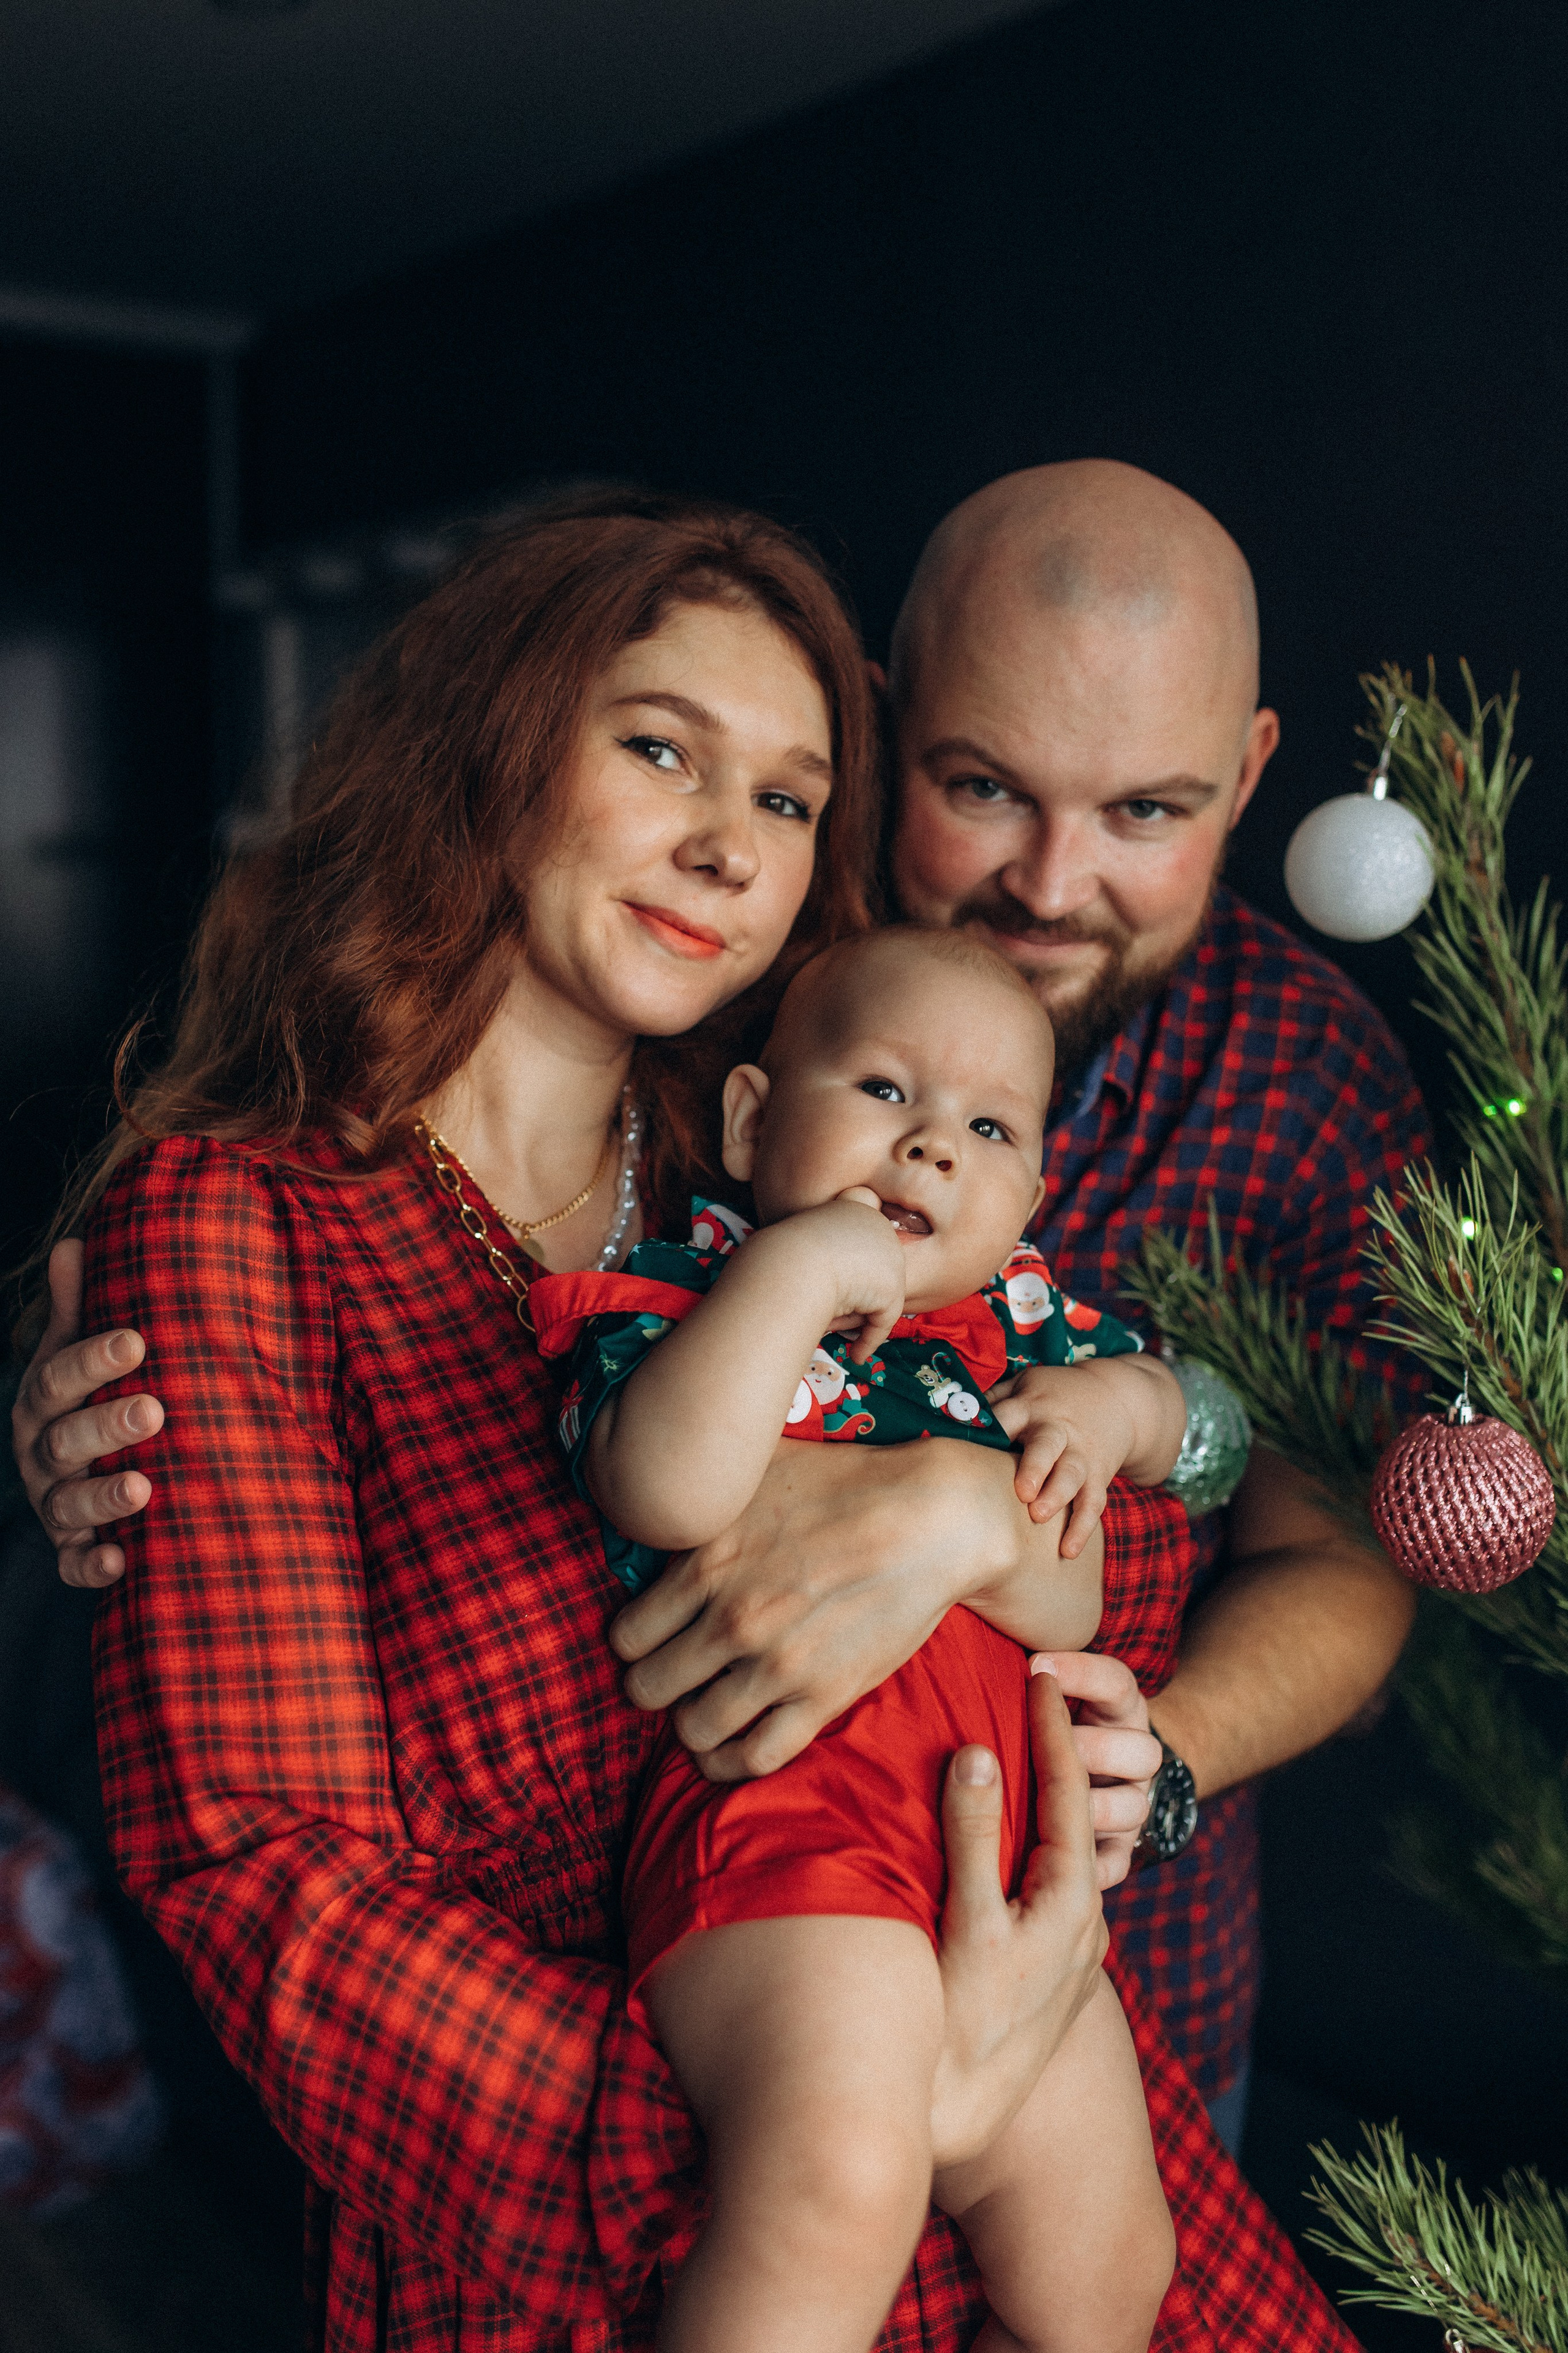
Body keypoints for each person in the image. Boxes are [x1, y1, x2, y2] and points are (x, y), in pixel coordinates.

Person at [9, 494, 1359, 2350]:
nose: (728, 847)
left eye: (792, 802)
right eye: (662, 750)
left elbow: (1120, 1600)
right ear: (493, 745)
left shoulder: (798, 1135)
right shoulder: (248, 1223)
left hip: (1055, 2117)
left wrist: (980, 1512)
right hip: (636, 2236)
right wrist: (857, 2123)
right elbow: (265, 1876)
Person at [533, 925, 1186, 2353]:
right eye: (885, 1092)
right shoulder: (696, 1294)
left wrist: (1116, 1412)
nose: (931, 1148)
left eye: (986, 1127)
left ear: (1026, 1197)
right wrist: (803, 1269)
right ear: (757, 1118)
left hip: (1007, 1871)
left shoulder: (1017, 1351)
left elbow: (1067, 1603)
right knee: (839, 2185)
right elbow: (662, 1484)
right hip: (788, 1852)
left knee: (1111, 2268)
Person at [884, 459, 1431, 2143]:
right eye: (982, 785)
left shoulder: (1310, 1077)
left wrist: (1161, 1759)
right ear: (885, 707)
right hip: (678, 1967)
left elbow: (1340, 1560)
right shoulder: (732, 976)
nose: (1051, 888)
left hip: (1141, 2010)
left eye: (1146, 812)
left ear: (1253, 773)